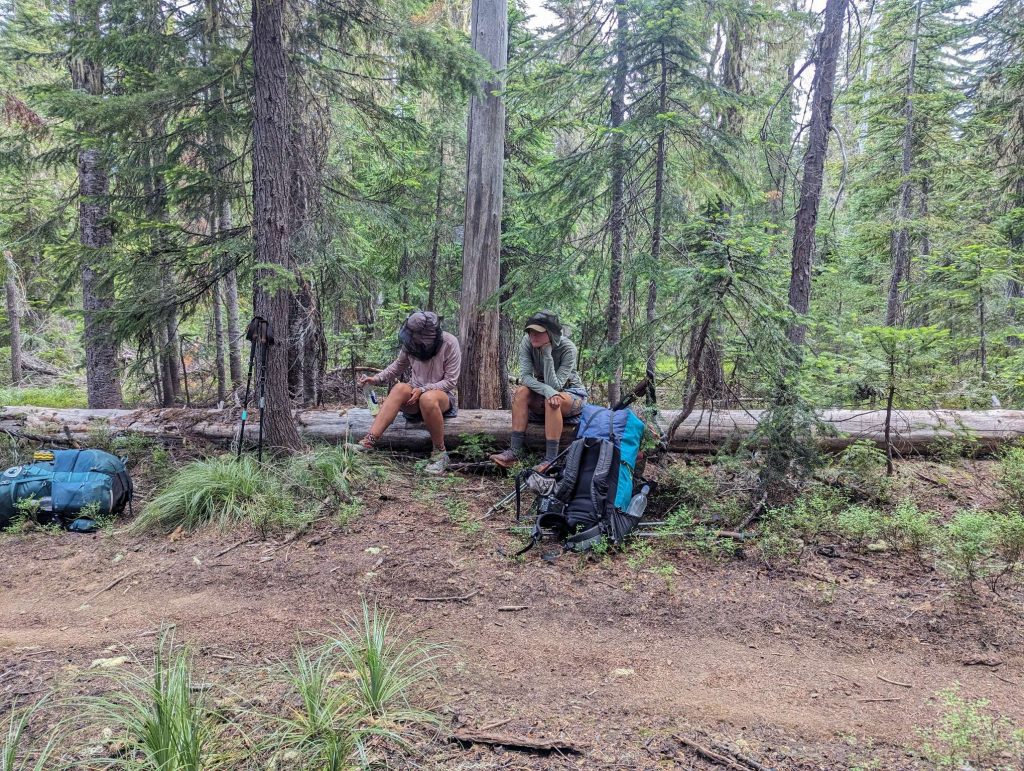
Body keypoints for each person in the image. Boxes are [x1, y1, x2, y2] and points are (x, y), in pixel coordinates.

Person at [351, 311, 461, 475]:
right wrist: (376, 379)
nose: (411, 336)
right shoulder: (410, 343)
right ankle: (368, 442)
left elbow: (451, 381)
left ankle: (440, 453)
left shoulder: (449, 342)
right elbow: (397, 366)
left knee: (427, 398)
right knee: (399, 388)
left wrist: (423, 389)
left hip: (440, 397)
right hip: (414, 396)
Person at [490, 310, 587, 470]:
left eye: (538, 332)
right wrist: (546, 390)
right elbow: (526, 377)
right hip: (543, 391)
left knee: (553, 401)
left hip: (571, 393)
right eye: (530, 331)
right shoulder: (527, 342)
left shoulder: (568, 348)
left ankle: (550, 459)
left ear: (551, 333)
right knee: (521, 392)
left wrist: (547, 354)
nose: (532, 335)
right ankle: (515, 453)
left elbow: (556, 386)